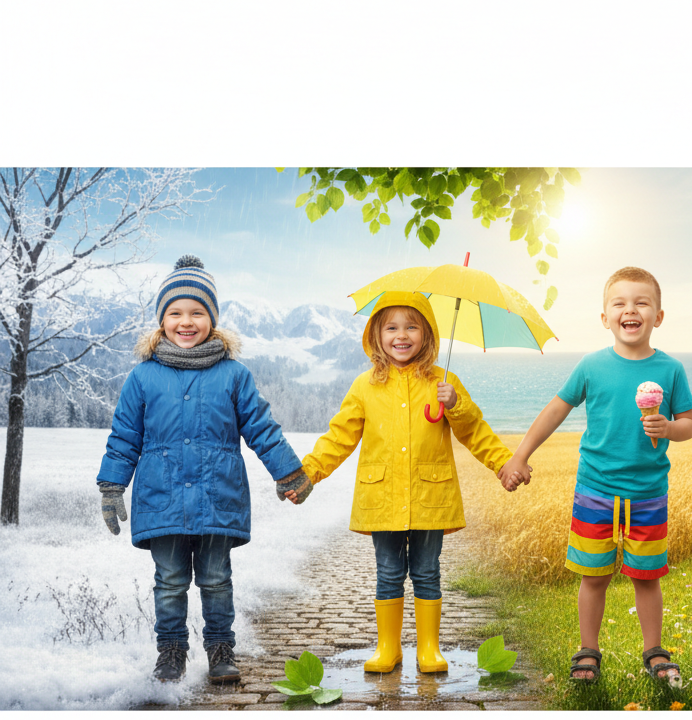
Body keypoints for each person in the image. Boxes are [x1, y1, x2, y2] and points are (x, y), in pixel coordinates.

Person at [96, 255, 307, 683]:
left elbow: (261, 427)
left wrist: (289, 473)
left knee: (216, 580)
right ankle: (171, 652)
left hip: (217, 497)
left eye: (197, 312)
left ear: (212, 318)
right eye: (175, 313)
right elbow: (124, 437)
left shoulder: (233, 374)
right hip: (162, 499)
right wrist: (112, 485)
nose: (186, 321)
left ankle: (220, 651)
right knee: (170, 582)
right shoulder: (143, 378)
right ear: (162, 320)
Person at [283, 291, 517, 674]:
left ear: (427, 334)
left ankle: (429, 648)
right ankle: (388, 648)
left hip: (431, 495)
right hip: (383, 496)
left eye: (412, 326)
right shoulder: (365, 386)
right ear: (376, 335)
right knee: (388, 571)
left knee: (427, 570)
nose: (401, 335)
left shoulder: (444, 382)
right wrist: (309, 472)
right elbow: (339, 436)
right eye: (391, 327)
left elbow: (474, 431)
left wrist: (496, 454)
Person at [500, 267, 692, 682]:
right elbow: (556, 410)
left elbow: (689, 424)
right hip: (595, 489)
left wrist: (669, 428)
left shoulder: (671, 369)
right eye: (620, 303)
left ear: (658, 316)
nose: (631, 310)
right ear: (605, 317)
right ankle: (588, 650)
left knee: (647, 577)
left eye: (642, 302)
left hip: (647, 492)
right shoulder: (591, 365)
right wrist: (520, 455)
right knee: (594, 575)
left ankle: (654, 651)